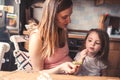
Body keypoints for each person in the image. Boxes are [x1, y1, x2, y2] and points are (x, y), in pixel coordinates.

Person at [29, 0, 78, 74]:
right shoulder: (37, 37)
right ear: (52, 17)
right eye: (64, 17)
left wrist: (75, 65)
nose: (69, 21)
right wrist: (60, 68)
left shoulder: (62, 30)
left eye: (70, 15)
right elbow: (37, 73)